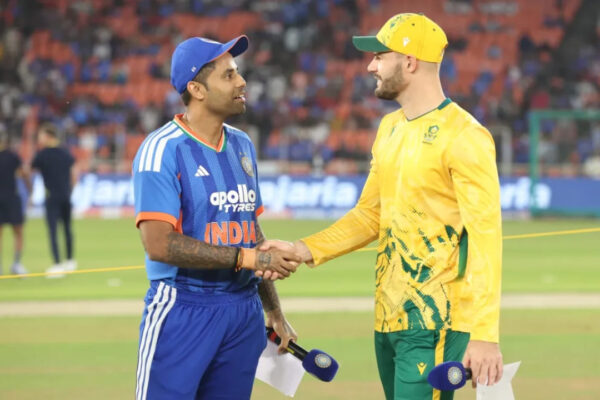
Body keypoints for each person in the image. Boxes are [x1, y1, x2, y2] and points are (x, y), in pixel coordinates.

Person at [261, 13, 504, 400]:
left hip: (434, 322)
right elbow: (368, 215)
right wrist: (301, 249)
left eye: (379, 56)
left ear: (409, 62)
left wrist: (485, 334)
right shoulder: (389, 128)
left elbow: (485, 238)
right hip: (388, 318)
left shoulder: (466, 136)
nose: (370, 66)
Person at [132, 36, 300, 400]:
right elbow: (158, 245)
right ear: (197, 89)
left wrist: (273, 309)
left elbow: (251, 230)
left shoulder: (242, 144)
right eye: (228, 75)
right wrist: (249, 259)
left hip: (243, 311)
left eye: (238, 73)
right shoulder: (162, 150)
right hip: (182, 308)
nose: (242, 82)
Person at [31, 123, 77, 277]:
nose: (39, 138)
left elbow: (29, 169)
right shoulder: (65, 152)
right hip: (65, 195)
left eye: (41, 135)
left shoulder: (42, 154)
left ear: (47, 136)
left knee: (53, 230)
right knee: (67, 228)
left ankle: (57, 264)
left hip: (51, 197)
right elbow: (74, 173)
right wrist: (70, 190)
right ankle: (70, 261)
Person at [0, 129, 31, 275]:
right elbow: (24, 174)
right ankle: (16, 264)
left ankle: (8, 266)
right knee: (18, 232)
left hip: (8, 198)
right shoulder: (13, 156)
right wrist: (30, 190)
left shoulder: (13, 156)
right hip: (12, 197)